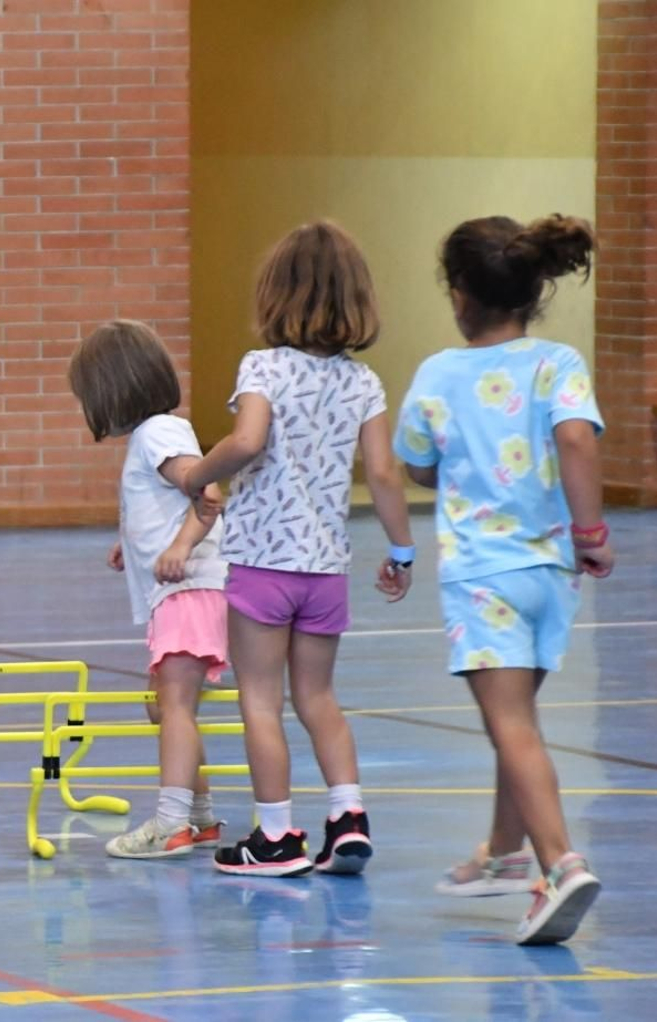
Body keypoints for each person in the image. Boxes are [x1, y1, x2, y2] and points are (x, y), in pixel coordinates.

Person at [396, 213, 609, 945]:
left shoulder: (437, 375)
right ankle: (504, 852)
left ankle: (560, 864)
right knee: (517, 719)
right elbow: (576, 439)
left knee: (510, 723)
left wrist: (454, 463)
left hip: (484, 578)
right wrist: (591, 533)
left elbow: (418, 465)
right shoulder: (559, 363)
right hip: (552, 573)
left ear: (460, 294)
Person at [183, 220, 415, 878]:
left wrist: (198, 473)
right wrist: (401, 550)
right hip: (325, 569)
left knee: (260, 699)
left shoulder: (263, 367)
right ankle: (348, 818)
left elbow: (248, 441)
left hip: (262, 564)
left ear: (275, 294)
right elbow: (383, 473)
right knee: (319, 697)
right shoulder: (364, 382)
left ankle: (276, 835)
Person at [67, 320, 232, 859]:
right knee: (164, 707)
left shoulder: (157, 433)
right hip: (182, 595)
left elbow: (206, 491)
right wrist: (134, 541)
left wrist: (179, 547)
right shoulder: (158, 433)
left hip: (188, 593)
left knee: (175, 705)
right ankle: (199, 816)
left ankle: (170, 824)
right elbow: (169, 500)